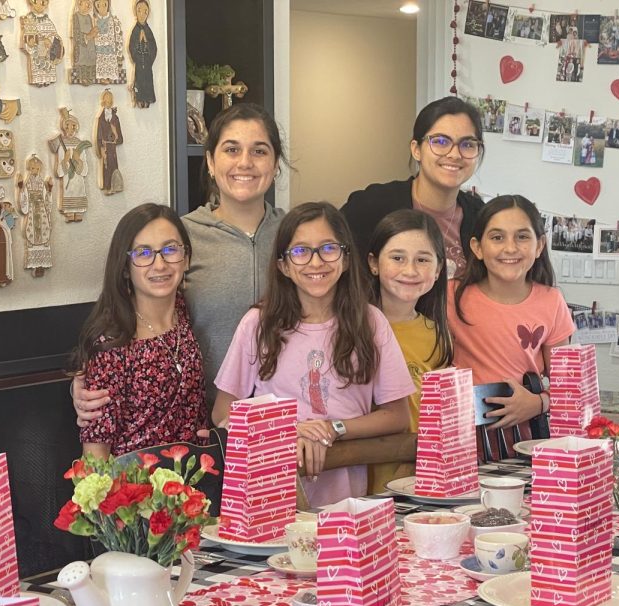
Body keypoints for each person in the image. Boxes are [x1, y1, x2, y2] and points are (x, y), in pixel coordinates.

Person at [73, 103, 285, 419]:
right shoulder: (178, 240)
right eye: (231, 149)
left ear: (275, 164)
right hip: (201, 426)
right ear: (211, 162)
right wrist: (85, 380)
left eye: (259, 151)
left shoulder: (298, 240)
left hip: (289, 421)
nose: (245, 162)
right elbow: (122, 316)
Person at [212, 202, 413, 506]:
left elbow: (397, 416)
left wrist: (332, 429)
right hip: (269, 496)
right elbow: (222, 413)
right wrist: (290, 430)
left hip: (349, 501)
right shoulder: (258, 324)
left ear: (345, 259)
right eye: (300, 251)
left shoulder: (370, 322)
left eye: (328, 248)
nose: (316, 262)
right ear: (283, 265)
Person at [72, 203, 207, 456]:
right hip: (137, 489)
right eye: (143, 253)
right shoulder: (111, 345)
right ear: (125, 267)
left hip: (197, 481)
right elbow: (95, 456)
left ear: (186, 258)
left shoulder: (183, 310)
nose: (160, 264)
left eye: (170, 249)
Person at [448, 195, 574, 448]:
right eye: (497, 237)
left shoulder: (551, 301)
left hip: (525, 447)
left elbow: (568, 387)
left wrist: (538, 403)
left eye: (522, 236)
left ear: (539, 246)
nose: (510, 248)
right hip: (460, 445)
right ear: (477, 247)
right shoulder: (450, 296)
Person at [341, 97, 486, 277]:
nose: (455, 154)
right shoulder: (372, 206)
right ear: (416, 149)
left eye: (467, 144)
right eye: (440, 142)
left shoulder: (482, 217)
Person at [364, 210, 452, 492]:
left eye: (423, 260)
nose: (410, 270)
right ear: (374, 263)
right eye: (397, 258)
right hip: (355, 474)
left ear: (438, 270)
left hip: (417, 478)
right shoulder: (351, 328)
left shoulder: (438, 335)